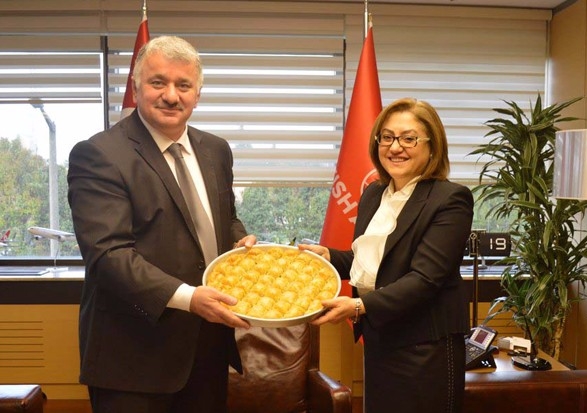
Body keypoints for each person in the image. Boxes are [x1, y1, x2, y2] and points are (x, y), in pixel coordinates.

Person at [67, 35, 255, 413]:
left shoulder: (216, 150)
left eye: (183, 85)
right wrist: (190, 298)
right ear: (135, 88)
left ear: (197, 94)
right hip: (133, 356)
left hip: (207, 348)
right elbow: (108, 255)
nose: (172, 95)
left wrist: (238, 243)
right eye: (158, 82)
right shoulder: (100, 154)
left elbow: (224, 218)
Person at [300, 97, 474, 413]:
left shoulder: (450, 199)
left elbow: (425, 278)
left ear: (432, 146)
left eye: (409, 138)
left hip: (425, 348)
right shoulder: (373, 194)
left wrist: (358, 305)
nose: (395, 147)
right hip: (380, 340)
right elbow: (372, 264)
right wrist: (327, 255)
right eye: (387, 137)